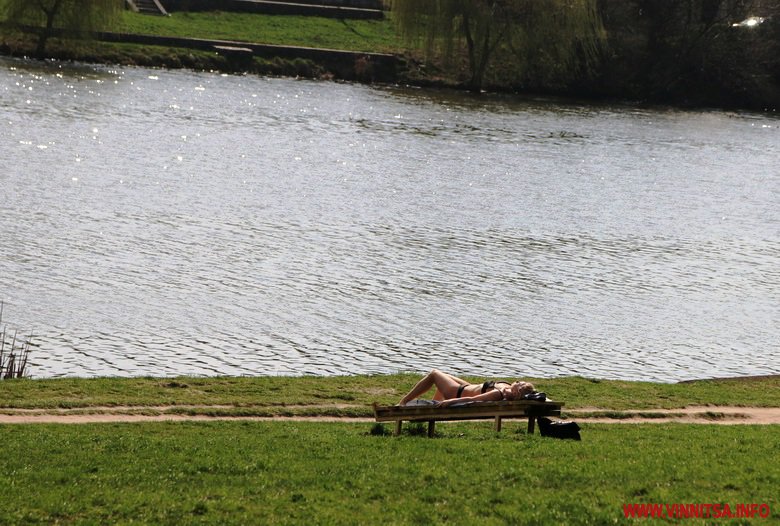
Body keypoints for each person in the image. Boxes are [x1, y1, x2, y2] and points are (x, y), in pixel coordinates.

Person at [398, 369, 536, 407]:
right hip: (466, 387)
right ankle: (433, 406)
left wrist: (449, 402)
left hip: (457, 394)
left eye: (519, 382)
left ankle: (403, 402)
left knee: (434, 374)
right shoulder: (506, 389)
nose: (517, 381)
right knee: (444, 375)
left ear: (517, 391)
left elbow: (473, 399)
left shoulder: (497, 394)